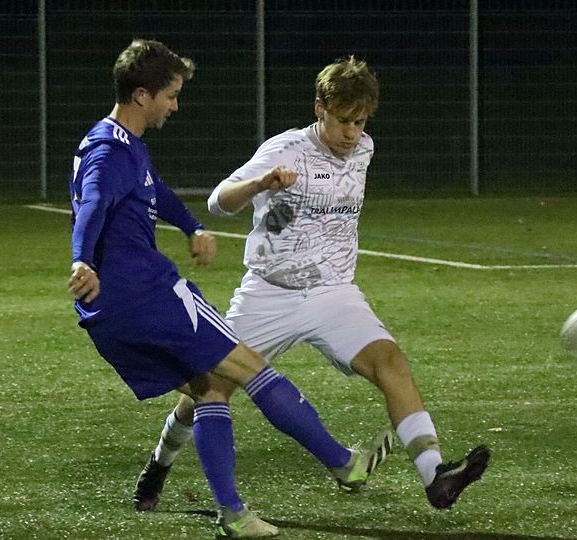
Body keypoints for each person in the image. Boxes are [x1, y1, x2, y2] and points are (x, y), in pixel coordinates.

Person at [133, 56, 490, 514]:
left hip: (333, 293)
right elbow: (219, 202)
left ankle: (435, 475)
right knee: (209, 388)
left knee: (392, 364)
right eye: (342, 121)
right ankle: (158, 466)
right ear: (319, 108)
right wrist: (260, 184)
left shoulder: (364, 149)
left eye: (360, 122)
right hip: (269, 292)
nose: (351, 133)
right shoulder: (285, 150)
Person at [69, 40, 392, 539]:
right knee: (253, 370)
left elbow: (155, 191)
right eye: (170, 95)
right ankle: (342, 463)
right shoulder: (112, 152)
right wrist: (82, 259)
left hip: (106, 312)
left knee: (208, 388)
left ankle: (232, 513)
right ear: (142, 95)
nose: (175, 105)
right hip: (148, 294)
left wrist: (191, 227)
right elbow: (93, 202)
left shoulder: (114, 141)